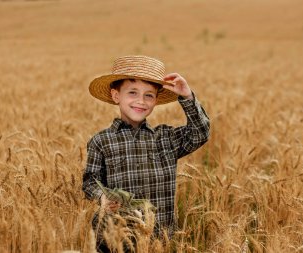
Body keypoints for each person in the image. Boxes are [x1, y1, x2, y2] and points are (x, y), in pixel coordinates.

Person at [82, 55, 210, 251]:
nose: (140, 101)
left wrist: (187, 97)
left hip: (160, 240)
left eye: (148, 95)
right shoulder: (101, 141)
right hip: (116, 240)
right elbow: (90, 181)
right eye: (132, 93)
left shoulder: (166, 138)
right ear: (116, 96)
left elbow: (200, 133)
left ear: (156, 100)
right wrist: (102, 197)